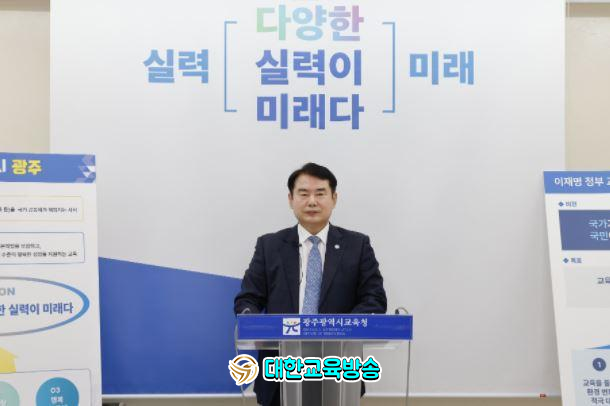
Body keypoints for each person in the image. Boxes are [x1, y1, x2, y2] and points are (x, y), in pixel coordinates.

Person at [234, 162, 387, 406]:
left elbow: (374, 299)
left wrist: (340, 330)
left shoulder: (357, 245)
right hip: (280, 371)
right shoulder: (269, 246)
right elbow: (248, 298)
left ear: (334, 198)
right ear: (291, 199)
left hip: (338, 369)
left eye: (320, 193)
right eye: (304, 194)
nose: (312, 201)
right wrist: (252, 322)